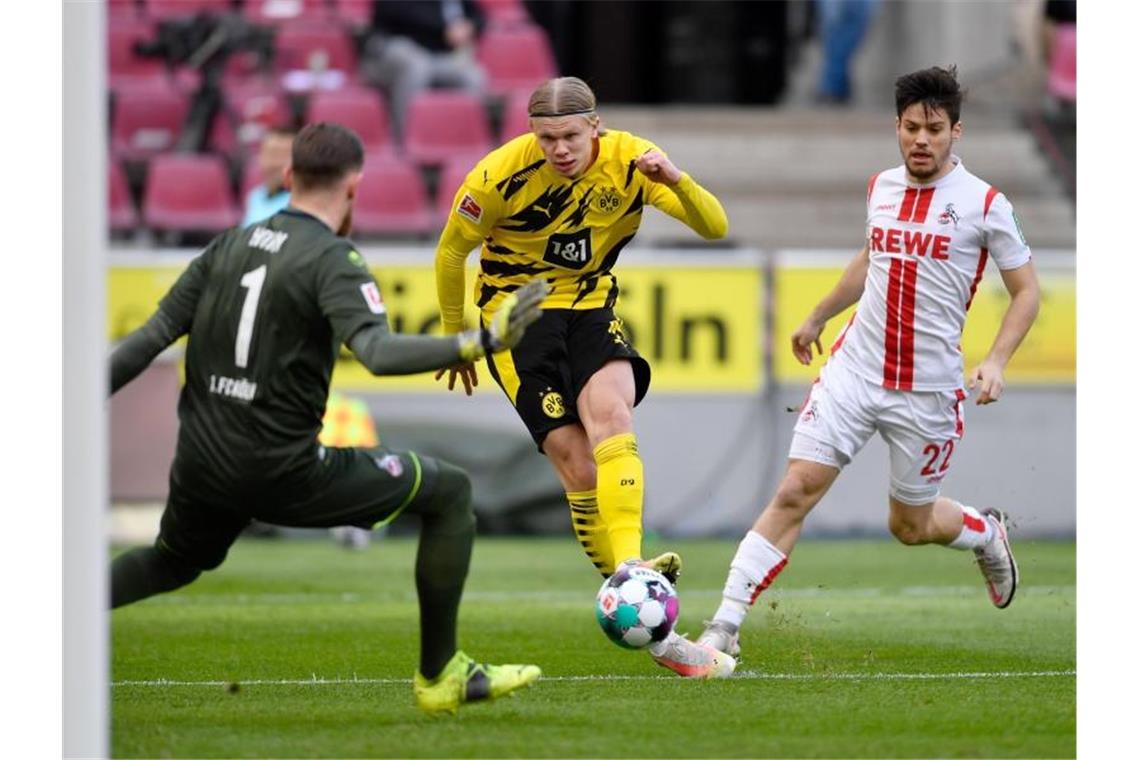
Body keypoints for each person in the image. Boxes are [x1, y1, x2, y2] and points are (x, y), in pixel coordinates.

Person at [109, 122, 548, 714]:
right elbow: (378, 352)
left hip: (202, 463)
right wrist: (480, 342)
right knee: (449, 491)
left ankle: (52, 610)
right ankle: (441, 674)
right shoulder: (332, 259)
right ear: (355, 186)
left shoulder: (227, 246)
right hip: (283, 472)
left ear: (289, 177)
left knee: (173, 561)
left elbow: (149, 339)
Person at [689, 65, 1041, 673]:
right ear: (896, 128)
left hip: (927, 391)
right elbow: (873, 254)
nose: (921, 140)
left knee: (908, 525)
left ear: (957, 132)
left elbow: (1027, 291)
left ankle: (986, 532)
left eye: (934, 129)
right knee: (796, 488)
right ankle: (723, 627)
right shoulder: (880, 186)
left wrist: (996, 361)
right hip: (854, 372)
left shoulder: (985, 204)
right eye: (911, 128)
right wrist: (819, 314)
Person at [432, 76, 733, 678]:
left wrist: (677, 181)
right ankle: (656, 624)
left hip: (592, 308)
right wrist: (455, 334)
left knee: (614, 416)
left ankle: (635, 575)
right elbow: (450, 254)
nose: (559, 149)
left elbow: (715, 227)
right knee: (579, 466)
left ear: (595, 126)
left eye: (570, 135)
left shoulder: (630, 161)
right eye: (546, 138)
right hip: (517, 319)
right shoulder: (496, 178)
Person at [360, 0, 486, 145]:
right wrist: (444, 27)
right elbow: (392, 11)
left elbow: (479, 16)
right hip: (393, 47)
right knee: (416, 67)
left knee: (474, 76)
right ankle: (404, 140)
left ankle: (462, 141)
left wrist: (469, 26)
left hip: (436, 54)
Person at [241, 126, 295, 228]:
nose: (275, 163)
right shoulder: (255, 196)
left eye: (284, 156)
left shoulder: (301, 204)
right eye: (271, 154)